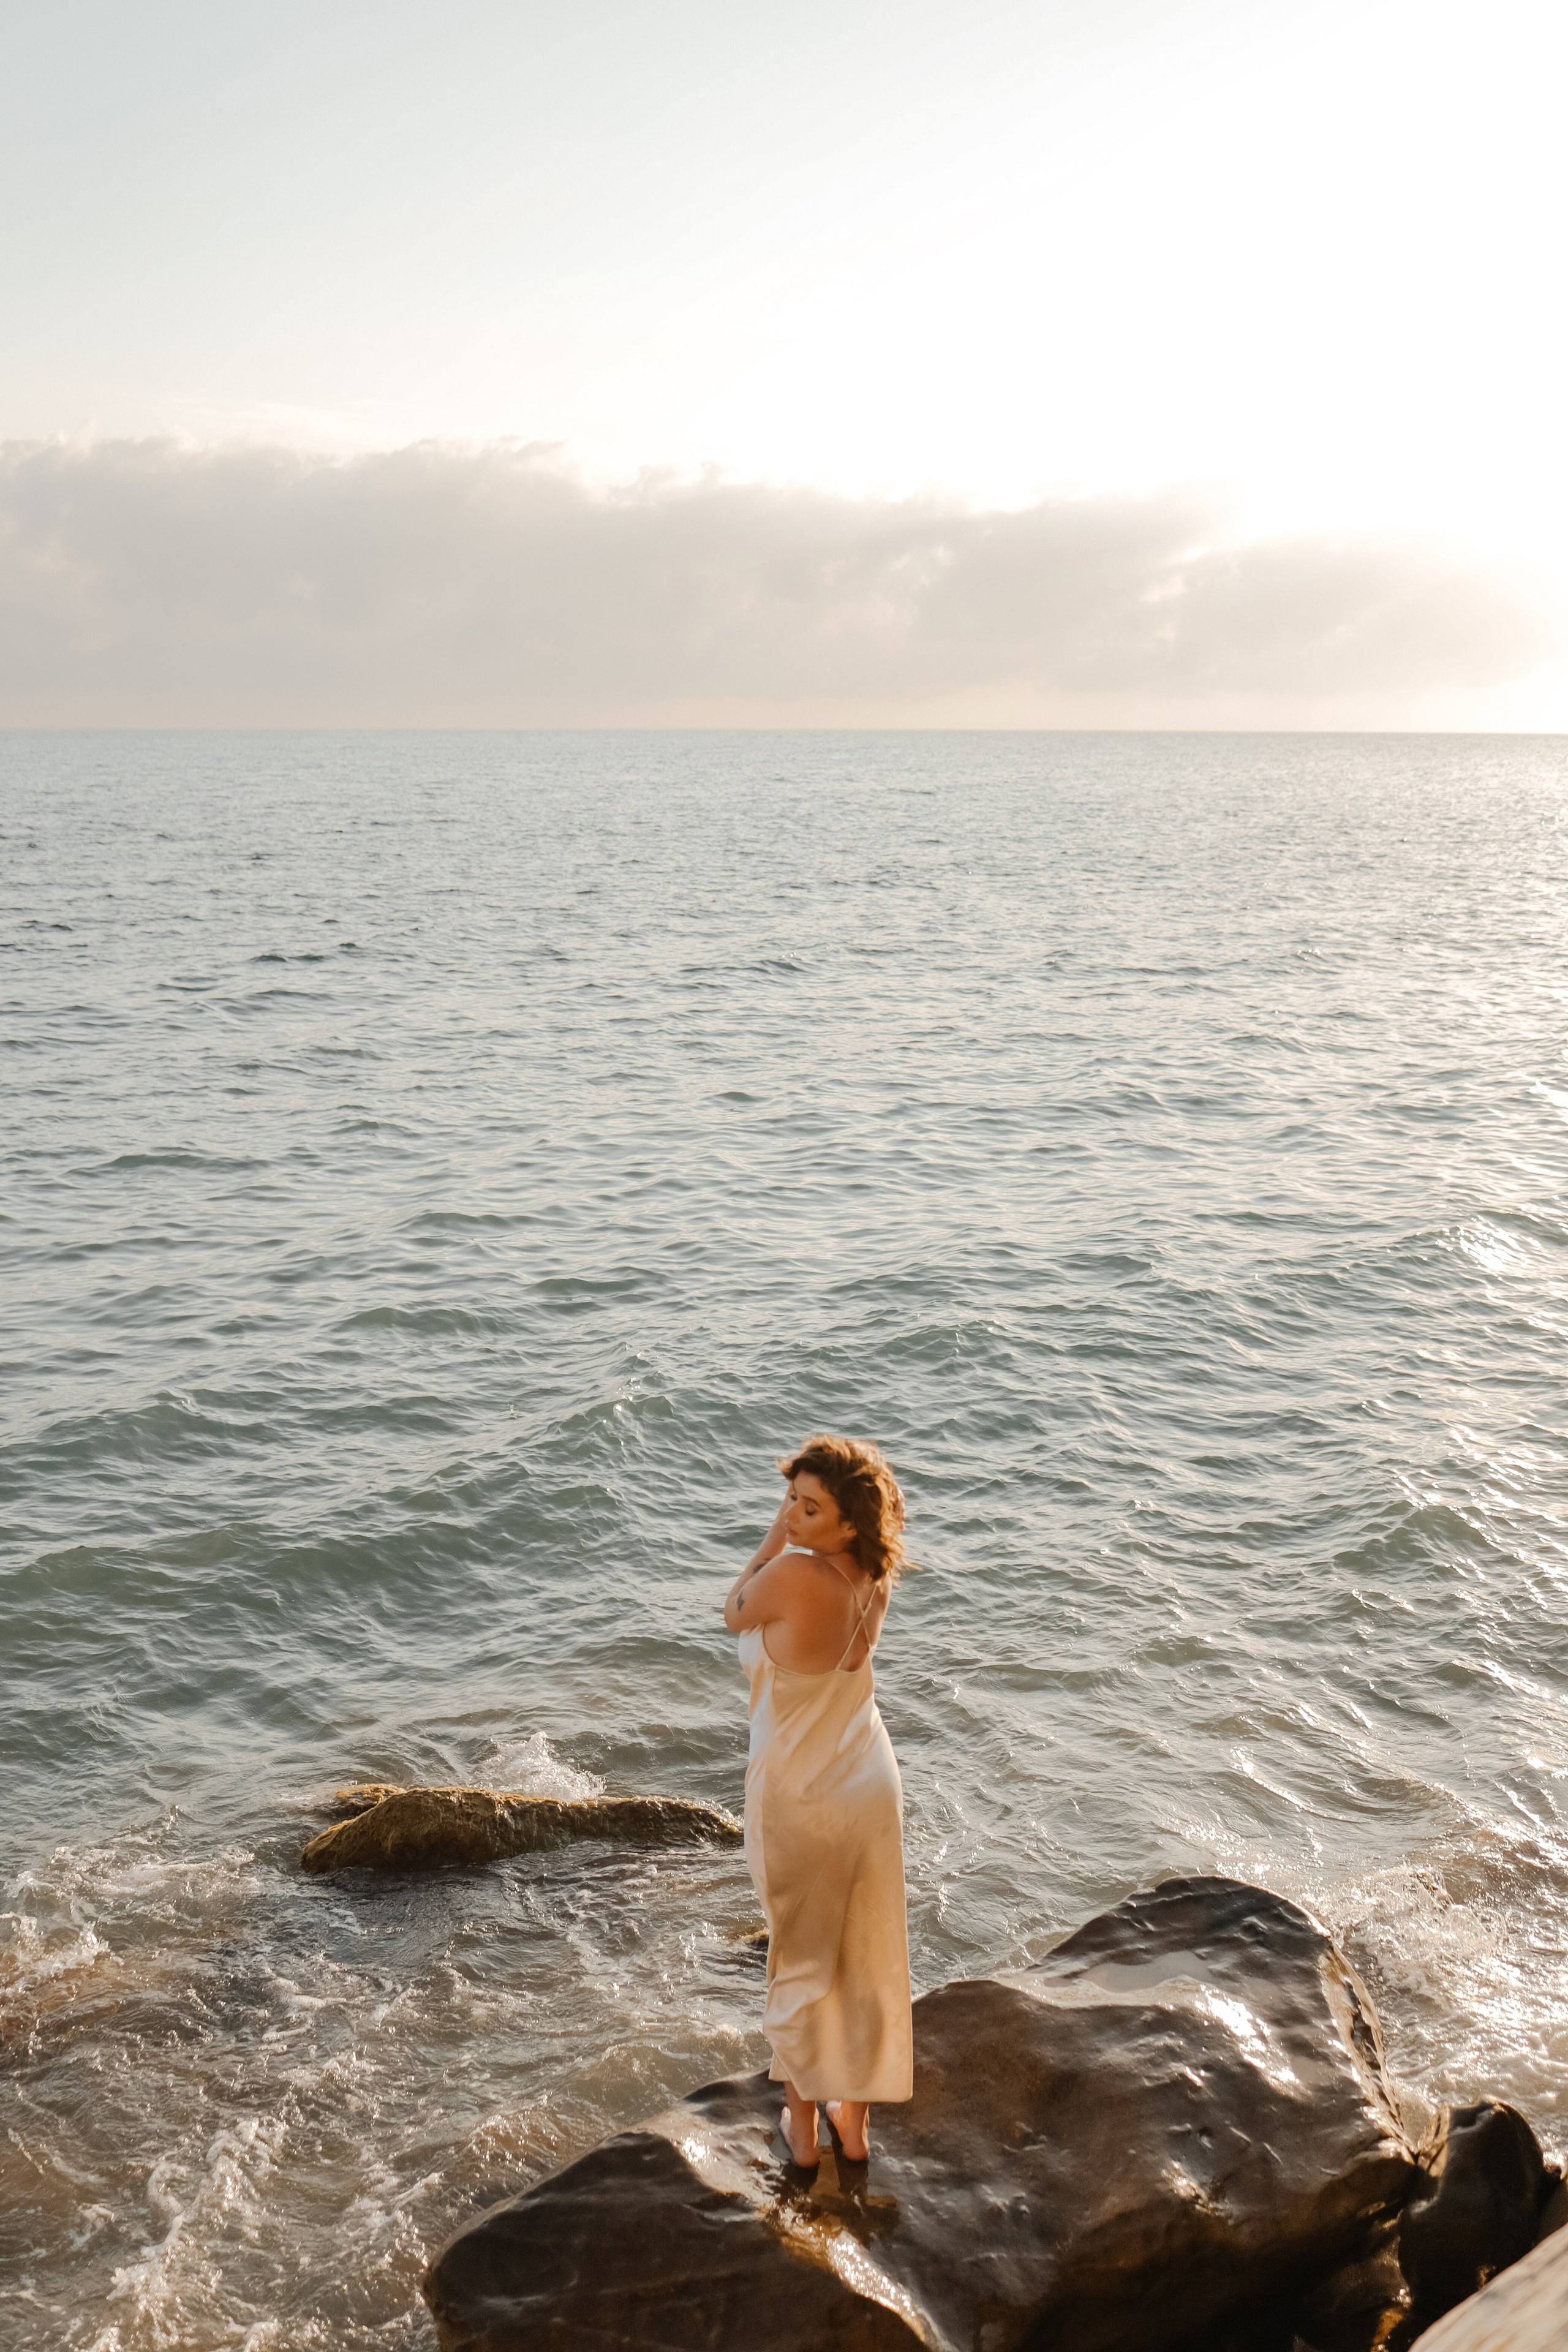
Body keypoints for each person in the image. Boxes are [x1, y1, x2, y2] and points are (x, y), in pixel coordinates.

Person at [723, 1433, 913, 2169]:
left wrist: (777, 1534)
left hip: (800, 1790)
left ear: (847, 1522)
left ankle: (803, 2132)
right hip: (867, 1778)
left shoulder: (794, 1574)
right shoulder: (874, 1571)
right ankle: (855, 2124)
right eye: (791, 1501)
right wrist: (800, 1516)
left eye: (810, 1508)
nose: (795, 1516)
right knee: (867, 1953)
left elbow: (735, 1608)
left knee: (798, 1960)